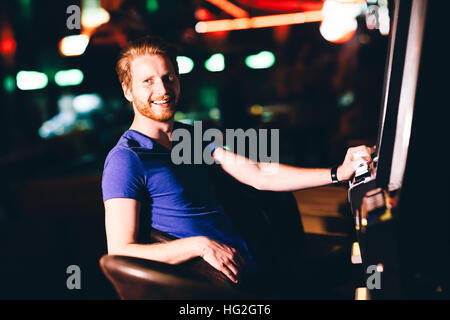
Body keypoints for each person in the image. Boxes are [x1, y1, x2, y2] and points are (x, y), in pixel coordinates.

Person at [101, 35, 372, 297]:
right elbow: (121, 251)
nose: (162, 89)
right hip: (212, 288)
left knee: (365, 264)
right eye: (147, 81)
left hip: (257, 272)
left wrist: (338, 172)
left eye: (168, 77)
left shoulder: (188, 138)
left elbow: (258, 172)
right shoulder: (127, 159)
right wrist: (199, 246)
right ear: (128, 90)